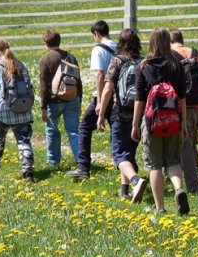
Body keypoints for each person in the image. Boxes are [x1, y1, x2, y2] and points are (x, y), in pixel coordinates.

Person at [131, 28, 189, 215]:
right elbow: (181, 98)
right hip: (174, 120)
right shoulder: (176, 65)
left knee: (155, 164)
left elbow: (139, 98)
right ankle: (179, 189)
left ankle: (160, 208)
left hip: (152, 122)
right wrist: (184, 123)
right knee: (173, 160)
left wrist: (135, 124)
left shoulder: (144, 66)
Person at [96, 28, 148, 202]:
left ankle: (135, 180)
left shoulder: (117, 61)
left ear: (120, 43)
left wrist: (101, 113)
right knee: (129, 153)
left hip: (120, 113)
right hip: (138, 114)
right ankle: (124, 191)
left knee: (119, 154)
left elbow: (108, 89)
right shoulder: (143, 62)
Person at [67, 20, 117, 180]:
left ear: (96, 34)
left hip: (104, 96)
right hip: (118, 96)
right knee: (116, 131)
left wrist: (101, 101)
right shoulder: (118, 47)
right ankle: (122, 164)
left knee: (84, 128)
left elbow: (100, 75)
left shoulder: (98, 50)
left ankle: (83, 167)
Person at [0, 38, 34, 182]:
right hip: (23, 110)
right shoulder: (21, 65)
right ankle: (28, 171)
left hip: (3, 111)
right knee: (24, 141)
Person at [170, 29, 198, 194]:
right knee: (192, 143)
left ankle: (197, 179)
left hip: (184, 108)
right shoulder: (197, 54)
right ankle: (197, 175)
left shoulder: (171, 56)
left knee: (186, 145)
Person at [38, 29, 82, 166]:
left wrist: (43, 107)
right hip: (72, 99)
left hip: (53, 102)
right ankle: (81, 160)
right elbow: (78, 80)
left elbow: (44, 86)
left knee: (52, 130)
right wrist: (79, 98)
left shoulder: (45, 60)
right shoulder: (70, 56)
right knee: (74, 132)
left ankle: (53, 162)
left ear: (46, 43)